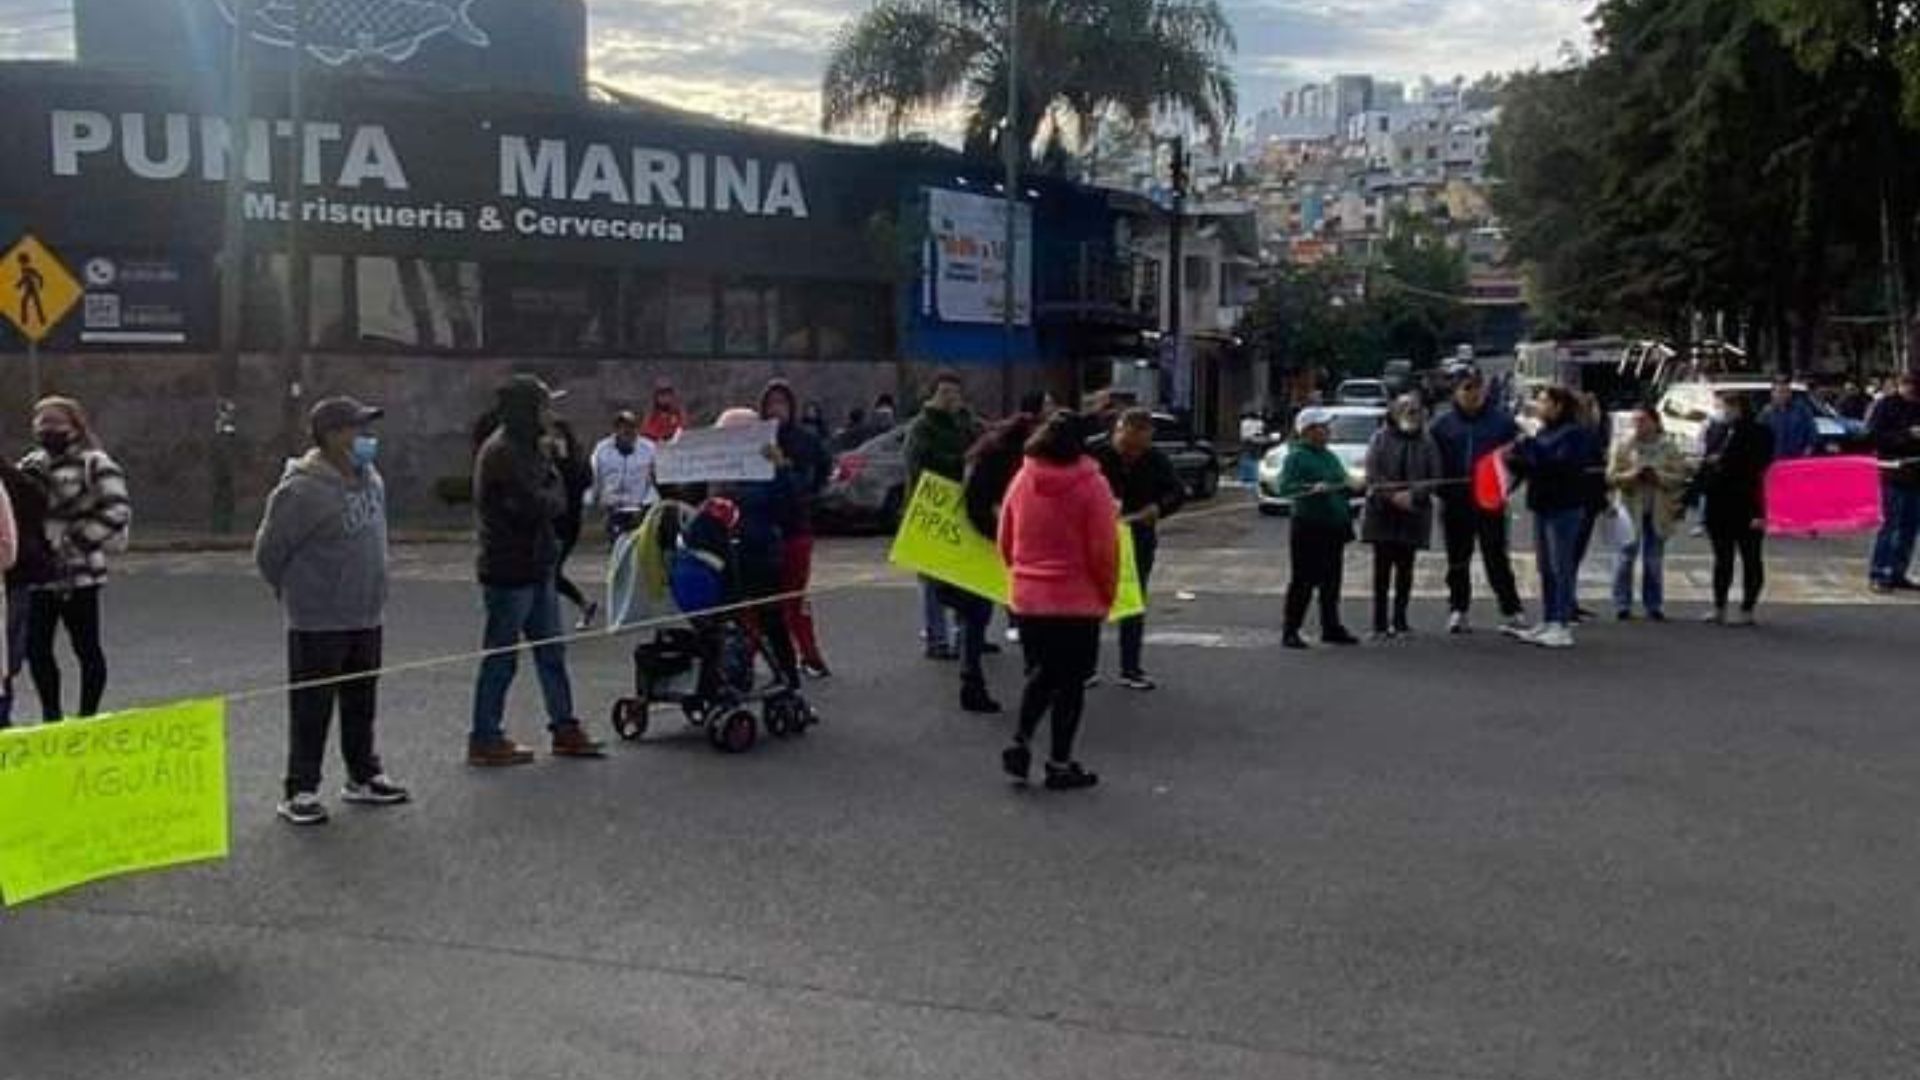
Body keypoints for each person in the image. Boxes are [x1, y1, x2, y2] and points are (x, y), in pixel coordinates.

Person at [254, 397, 409, 826]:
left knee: (361, 701)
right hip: (318, 617)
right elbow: (270, 550)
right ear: (333, 435)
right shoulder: (301, 489)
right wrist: (296, 594)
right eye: (359, 429)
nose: (367, 438)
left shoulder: (371, 479)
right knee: (312, 704)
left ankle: (364, 775)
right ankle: (300, 789)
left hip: (366, 611)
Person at [468, 375, 606, 766]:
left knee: (552, 653)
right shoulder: (503, 452)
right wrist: (553, 488)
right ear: (526, 412)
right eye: (544, 407)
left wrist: (557, 469)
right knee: (501, 657)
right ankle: (484, 736)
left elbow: (568, 486)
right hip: (509, 569)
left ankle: (564, 727)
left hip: (539, 564)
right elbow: (538, 505)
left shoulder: (533, 448)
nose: (551, 415)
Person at [997, 411, 1116, 792]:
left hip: (1030, 597)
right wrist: (1107, 593)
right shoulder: (1092, 485)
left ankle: (1020, 739)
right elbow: (1103, 550)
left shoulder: (1022, 478)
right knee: (1071, 684)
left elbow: (1005, 537)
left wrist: (1019, 574)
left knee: (1041, 674)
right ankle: (1059, 763)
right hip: (1077, 599)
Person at [20, 396, 131, 721]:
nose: (47, 430)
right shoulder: (30, 464)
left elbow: (117, 509)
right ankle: (51, 715)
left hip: (81, 573)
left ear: (75, 427)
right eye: (41, 423)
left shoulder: (94, 464)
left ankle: (88, 715)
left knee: (86, 647)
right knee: (36, 648)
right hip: (40, 573)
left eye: (56, 423)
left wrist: (77, 541)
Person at [954, 391, 1050, 713]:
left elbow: (975, 500)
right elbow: (985, 503)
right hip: (1007, 542)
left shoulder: (992, 451)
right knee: (1026, 611)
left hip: (988, 540)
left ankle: (972, 680)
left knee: (976, 615)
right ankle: (1033, 674)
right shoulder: (1020, 460)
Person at [711, 406, 803, 692]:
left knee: (771, 621)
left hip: (760, 552)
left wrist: (782, 467)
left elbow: (789, 503)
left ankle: (789, 679)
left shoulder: (769, 468)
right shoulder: (717, 469)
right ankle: (733, 675)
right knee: (727, 622)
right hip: (725, 553)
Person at [1428, 370, 1527, 635]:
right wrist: (1440, 489)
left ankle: (1511, 609)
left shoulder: (1502, 423)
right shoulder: (1441, 425)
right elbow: (1429, 462)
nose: (1472, 394)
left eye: (1477, 389)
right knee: (1457, 559)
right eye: (1466, 388)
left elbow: (1519, 460)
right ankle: (1458, 609)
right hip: (1455, 502)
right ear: (1456, 392)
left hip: (1490, 501)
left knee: (1496, 557)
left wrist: (1506, 488)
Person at [1093, 408, 1184, 689]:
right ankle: (1085, 667)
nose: (1133, 453)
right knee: (1090, 600)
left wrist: (1156, 509)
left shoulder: (1156, 459)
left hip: (1138, 536)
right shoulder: (1094, 454)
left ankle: (1130, 669)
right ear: (1118, 432)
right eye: (1128, 446)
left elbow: (1177, 493)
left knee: (1133, 601)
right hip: (1096, 536)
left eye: (1140, 447)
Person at [1506, 387, 1595, 649]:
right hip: (1543, 504)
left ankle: (1562, 624)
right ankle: (1549, 618)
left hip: (1564, 506)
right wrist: (1516, 456)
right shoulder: (1546, 431)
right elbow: (1532, 464)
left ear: (1558, 406)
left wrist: (1531, 444)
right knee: (1545, 567)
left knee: (1561, 565)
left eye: (1544, 401)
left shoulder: (1574, 434)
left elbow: (1558, 464)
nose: (1538, 406)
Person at [903, 371, 981, 659]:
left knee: (965, 578)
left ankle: (967, 636)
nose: (950, 398)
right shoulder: (921, 428)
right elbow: (920, 465)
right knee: (933, 581)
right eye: (944, 392)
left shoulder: (966, 425)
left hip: (962, 508)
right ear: (933, 394)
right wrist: (961, 462)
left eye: (955, 392)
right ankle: (937, 639)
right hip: (932, 508)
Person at [760, 379, 834, 678]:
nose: (776, 409)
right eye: (771, 404)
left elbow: (809, 483)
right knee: (759, 601)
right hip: (762, 531)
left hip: (794, 530)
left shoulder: (805, 441)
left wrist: (784, 467)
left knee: (794, 598)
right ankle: (752, 658)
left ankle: (809, 654)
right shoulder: (755, 439)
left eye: (782, 403)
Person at [1279, 408, 1362, 649]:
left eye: (1327, 427)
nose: (1327, 431)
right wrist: (1312, 488)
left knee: (1331, 580)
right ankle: (1291, 629)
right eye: (1322, 427)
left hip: (1333, 526)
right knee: (1303, 580)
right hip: (1309, 525)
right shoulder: (1296, 457)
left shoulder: (1328, 455)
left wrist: (1351, 484)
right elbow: (1285, 488)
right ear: (1307, 431)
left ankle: (1331, 626)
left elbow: (1341, 480)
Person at [1361, 395, 1441, 640]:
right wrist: (1392, 495)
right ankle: (1379, 623)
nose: (1410, 414)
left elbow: (1435, 475)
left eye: (1415, 410)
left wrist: (1414, 494)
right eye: (1405, 409)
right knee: (1382, 570)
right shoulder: (1380, 438)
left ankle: (1400, 619)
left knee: (1406, 569)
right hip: (1382, 512)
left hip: (1413, 513)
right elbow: (1373, 473)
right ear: (1394, 413)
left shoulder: (1427, 441)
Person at [1607, 406, 1690, 622]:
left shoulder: (1669, 447)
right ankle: (1622, 604)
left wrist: (1658, 476)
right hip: (1630, 505)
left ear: (1655, 422)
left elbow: (1680, 476)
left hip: (1657, 508)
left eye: (1642, 420)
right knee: (1625, 556)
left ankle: (1653, 604)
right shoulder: (1624, 445)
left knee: (1653, 560)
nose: (1638, 425)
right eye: (1635, 421)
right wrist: (1632, 475)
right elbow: (1611, 476)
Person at [1700, 391, 1776, 625]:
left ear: (1739, 408)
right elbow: (1706, 459)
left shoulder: (1760, 433)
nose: (1724, 412)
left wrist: (1722, 462)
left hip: (1748, 502)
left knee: (1751, 558)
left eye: (1727, 408)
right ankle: (1719, 606)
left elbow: (1759, 467)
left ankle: (1747, 607)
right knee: (1722, 559)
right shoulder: (1716, 430)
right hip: (1719, 502)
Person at [0, 455, 52, 727]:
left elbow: (8, 549)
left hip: (14, 581)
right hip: (16, 580)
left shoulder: (12, 481)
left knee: (7, 666)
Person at [1867, 371, 1920, 593]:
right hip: (1892, 472)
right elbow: (1874, 436)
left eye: (1914, 388)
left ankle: (1898, 572)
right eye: (1906, 386)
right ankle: (1878, 573)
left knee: (1910, 527)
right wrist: (1908, 434)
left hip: (1916, 474)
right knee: (1889, 525)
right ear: (1900, 385)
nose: (1910, 391)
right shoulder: (1886, 405)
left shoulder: (1918, 406)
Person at [546, 418, 598, 630]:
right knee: (548, 572)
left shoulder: (574, 463)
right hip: (551, 523)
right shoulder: (547, 461)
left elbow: (584, 481)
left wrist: (564, 460)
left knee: (550, 572)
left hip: (566, 523)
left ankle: (581, 605)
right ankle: (583, 604)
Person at [589, 410, 658, 542]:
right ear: (615, 429)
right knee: (618, 545)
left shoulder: (649, 448)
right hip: (613, 506)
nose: (627, 430)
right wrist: (595, 498)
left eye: (631, 426)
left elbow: (655, 478)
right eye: (622, 427)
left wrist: (647, 503)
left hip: (639, 507)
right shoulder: (602, 449)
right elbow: (596, 474)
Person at [1761, 377, 1818, 460]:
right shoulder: (1766, 413)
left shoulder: (1802, 410)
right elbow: (1760, 438)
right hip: (1774, 460)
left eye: (1787, 391)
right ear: (1772, 393)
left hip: (1797, 459)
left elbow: (1812, 432)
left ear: (1790, 393)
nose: (1783, 395)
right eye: (1780, 392)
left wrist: (1808, 451)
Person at [641, 379, 685, 444]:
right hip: (656, 441)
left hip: (673, 439)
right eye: (661, 395)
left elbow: (682, 423)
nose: (665, 398)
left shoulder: (676, 411)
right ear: (656, 397)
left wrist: (677, 432)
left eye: (667, 395)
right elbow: (646, 429)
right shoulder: (653, 413)